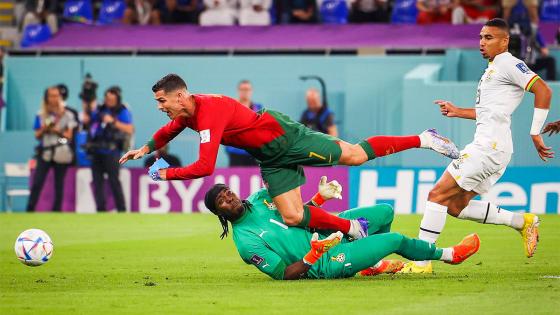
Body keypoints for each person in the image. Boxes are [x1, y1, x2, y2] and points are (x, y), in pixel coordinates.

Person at [120, 73, 460, 241]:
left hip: (285, 138)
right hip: (268, 157)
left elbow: (206, 167)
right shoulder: (187, 111)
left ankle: (423, 138)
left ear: (181, 96)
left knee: (355, 156)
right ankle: (354, 228)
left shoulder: (210, 112)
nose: (160, 107)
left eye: (162, 101)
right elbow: (170, 131)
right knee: (294, 217)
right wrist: (146, 148)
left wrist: (164, 175)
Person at [400, 18, 553, 274]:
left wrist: (535, 132)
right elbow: (489, 112)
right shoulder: (494, 68)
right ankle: (521, 221)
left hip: (489, 147)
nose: (482, 42)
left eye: (489, 38)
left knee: (437, 195)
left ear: (505, 41)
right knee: (454, 206)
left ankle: (421, 263)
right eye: (481, 37)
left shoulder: (509, 63)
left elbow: (544, 91)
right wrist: (457, 111)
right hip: (493, 147)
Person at [202, 179, 480, 280]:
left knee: (385, 212)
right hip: (325, 262)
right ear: (219, 213)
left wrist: (319, 198)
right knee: (394, 238)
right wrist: (313, 256)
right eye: (221, 201)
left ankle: (371, 262)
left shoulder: (260, 198)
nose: (229, 198)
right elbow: (282, 274)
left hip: (327, 232)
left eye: (228, 192)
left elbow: (299, 214)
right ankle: (449, 254)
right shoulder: (245, 243)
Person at [27, 86, 78, 212]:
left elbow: (69, 136)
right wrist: (45, 128)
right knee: (37, 182)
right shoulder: (41, 114)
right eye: (51, 96)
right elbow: (37, 135)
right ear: (47, 98)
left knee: (59, 185)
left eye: (57, 96)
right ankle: (29, 210)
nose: (54, 98)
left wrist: (57, 130)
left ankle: (57, 211)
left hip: (61, 151)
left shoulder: (68, 114)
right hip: (45, 152)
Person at [85, 87, 134, 212]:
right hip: (97, 151)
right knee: (97, 183)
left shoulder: (122, 111)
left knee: (114, 181)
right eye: (107, 99)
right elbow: (87, 120)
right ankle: (100, 209)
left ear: (117, 99)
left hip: (112, 152)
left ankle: (121, 209)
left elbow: (129, 129)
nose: (109, 101)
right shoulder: (100, 109)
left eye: (112, 99)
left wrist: (112, 121)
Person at [225, 80, 262, 167]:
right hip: (236, 152)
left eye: (247, 89)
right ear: (238, 91)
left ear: (251, 91)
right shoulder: (231, 107)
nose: (245, 92)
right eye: (243, 89)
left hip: (254, 152)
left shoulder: (259, 108)